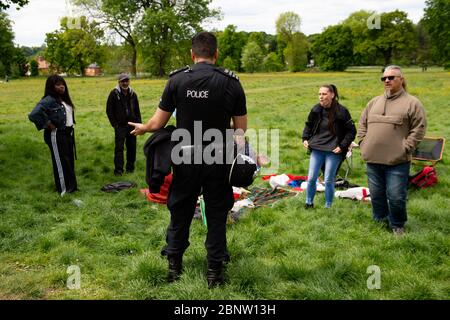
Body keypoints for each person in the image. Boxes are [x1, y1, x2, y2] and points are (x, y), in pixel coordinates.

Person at [128, 31, 247, 288]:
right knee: (216, 214)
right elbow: (240, 130)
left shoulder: (177, 80)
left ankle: (174, 267)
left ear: (193, 55)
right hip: (218, 157)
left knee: (180, 211)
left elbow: (158, 122)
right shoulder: (232, 83)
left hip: (186, 155)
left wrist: (143, 128)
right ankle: (215, 273)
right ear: (216, 54)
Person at [357, 65, 427, 235]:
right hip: (373, 159)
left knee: (396, 197)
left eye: (391, 77)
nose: (387, 80)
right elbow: (362, 124)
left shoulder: (412, 103)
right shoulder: (374, 102)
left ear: (401, 80)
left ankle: (397, 225)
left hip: (397, 161)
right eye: (384, 78)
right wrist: (363, 143)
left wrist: (406, 147)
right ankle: (380, 220)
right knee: (376, 194)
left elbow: (419, 128)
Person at [302, 84, 356, 209]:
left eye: (324, 94)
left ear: (332, 95)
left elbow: (351, 131)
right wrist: (305, 138)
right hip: (317, 148)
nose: (321, 97)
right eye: (319, 94)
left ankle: (328, 206)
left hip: (334, 150)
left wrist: (342, 146)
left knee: (328, 180)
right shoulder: (316, 109)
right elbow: (309, 125)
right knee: (311, 179)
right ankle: (309, 203)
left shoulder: (342, 111)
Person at [28, 75, 78, 195]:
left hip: (68, 133)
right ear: (51, 87)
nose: (62, 86)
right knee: (61, 162)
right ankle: (64, 190)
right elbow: (33, 114)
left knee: (69, 160)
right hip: (56, 134)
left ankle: (72, 187)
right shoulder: (49, 99)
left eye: (63, 83)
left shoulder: (64, 99)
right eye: (58, 84)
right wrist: (48, 124)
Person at [106, 73, 141, 175]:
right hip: (120, 126)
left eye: (126, 81)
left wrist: (138, 124)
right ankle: (118, 170)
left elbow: (137, 110)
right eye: (123, 81)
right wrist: (115, 125)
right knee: (119, 149)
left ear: (129, 81)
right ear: (119, 82)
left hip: (132, 126)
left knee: (132, 148)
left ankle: (130, 169)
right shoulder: (113, 93)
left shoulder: (133, 94)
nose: (125, 83)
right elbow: (109, 110)